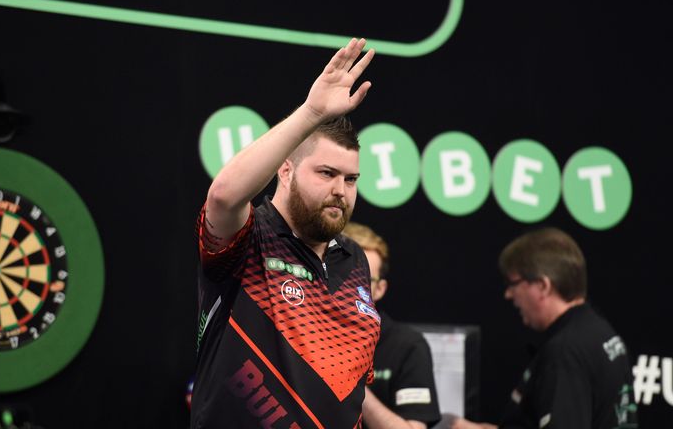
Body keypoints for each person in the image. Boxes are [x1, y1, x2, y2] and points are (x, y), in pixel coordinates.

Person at [191, 38, 382, 429]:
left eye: (351, 179)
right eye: (326, 173)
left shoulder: (355, 259)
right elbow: (223, 196)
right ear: (285, 170)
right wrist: (312, 112)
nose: (340, 191)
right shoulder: (249, 236)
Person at [452, 227, 638, 429]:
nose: (508, 294)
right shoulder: (599, 331)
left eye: (513, 283)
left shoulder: (565, 351)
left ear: (542, 286)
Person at [343, 222, 442, 429]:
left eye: (363, 279)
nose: (350, 289)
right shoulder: (299, 335)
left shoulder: (406, 346)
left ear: (380, 289)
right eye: (342, 275)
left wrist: (352, 382)